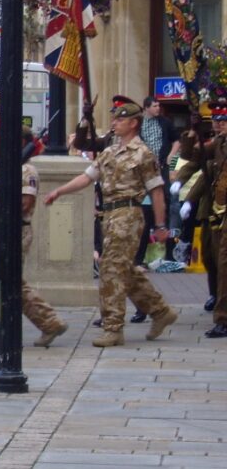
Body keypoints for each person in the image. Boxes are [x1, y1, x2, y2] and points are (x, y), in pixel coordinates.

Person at [45, 99, 178, 347]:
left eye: (120, 119)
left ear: (133, 123)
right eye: (114, 119)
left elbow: (157, 192)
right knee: (122, 269)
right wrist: (59, 191)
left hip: (129, 214)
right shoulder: (109, 151)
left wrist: (160, 225)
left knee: (111, 271)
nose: (114, 123)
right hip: (109, 215)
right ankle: (160, 311)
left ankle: (113, 327)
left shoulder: (143, 153)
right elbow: (86, 178)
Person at [0, 128, 68, 352]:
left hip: (17, 230)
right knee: (9, 281)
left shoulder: (26, 170)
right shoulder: (8, 167)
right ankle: (50, 321)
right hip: (4, 228)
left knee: (3, 281)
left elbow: (25, 202)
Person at [181, 101, 227, 337]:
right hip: (219, 212)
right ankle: (222, 317)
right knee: (219, 263)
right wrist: (192, 132)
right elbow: (192, 156)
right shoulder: (218, 143)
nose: (220, 124)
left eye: (224, 120)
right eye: (217, 120)